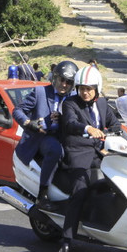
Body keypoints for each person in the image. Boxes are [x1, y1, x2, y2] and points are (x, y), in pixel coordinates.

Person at [55, 64, 121, 252]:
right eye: (82, 88)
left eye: (89, 88)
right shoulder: (70, 104)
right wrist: (88, 128)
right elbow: (70, 124)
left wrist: (121, 134)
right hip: (78, 152)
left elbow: (115, 123)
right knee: (80, 191)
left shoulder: (102, 104)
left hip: (100, 151)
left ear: (97, 89)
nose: (85, 92)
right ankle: (66, 242)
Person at [10, 60, 77, 212]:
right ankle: (43, 195)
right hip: (41, 136)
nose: (64, 84)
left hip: (65, 136)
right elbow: (17, 111)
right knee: (55, 150)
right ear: (55, 78)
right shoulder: (40, 92)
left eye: (69, 82)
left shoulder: (73, 97)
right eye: (62, 80)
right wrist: (29, 123)